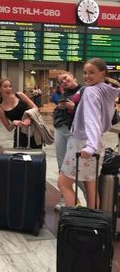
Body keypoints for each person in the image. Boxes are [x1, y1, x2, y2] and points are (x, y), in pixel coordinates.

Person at [58, 58, 120, 209]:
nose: (87, 76)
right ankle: (92, 225)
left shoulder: (91, 92)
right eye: (85, 72)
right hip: (96, 142)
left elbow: (92, 120)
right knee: (91, 188)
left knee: (63, 184)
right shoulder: (105, 91)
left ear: (102, 73)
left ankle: (76, 220)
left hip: (83, 143)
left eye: (92, 72)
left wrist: (90, 146)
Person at [53, 71, 84, 211]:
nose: (64, 82)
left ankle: (88, 200)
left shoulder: (85, 91)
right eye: (61, 81)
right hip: (60, 129)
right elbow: (58, 112)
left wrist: (74, 107)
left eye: (65, 78)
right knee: (62, 166)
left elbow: (90, 112)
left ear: (72, 75)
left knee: (75, 167)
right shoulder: (63, 95)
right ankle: (66, 199)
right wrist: (59, 109)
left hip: (75, 132)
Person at [0, 77, 40, 148]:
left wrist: (29, 118)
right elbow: (9, 128)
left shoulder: (20, 95)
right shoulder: (0, 108)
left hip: (33, 131)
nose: (8, 88)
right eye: (5, 86)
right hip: (20, 134)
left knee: (36, 156)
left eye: (10, 86)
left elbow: (35, 108)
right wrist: (14, 123)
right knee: (19, 156)